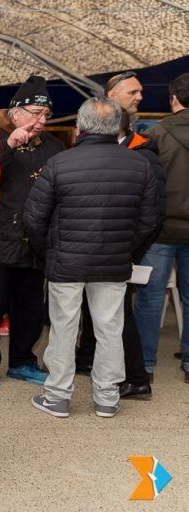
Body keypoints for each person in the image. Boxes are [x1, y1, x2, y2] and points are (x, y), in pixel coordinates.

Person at [24, 97, 158, 419]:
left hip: (65, 263)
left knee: (63, 327)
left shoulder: (60, 163)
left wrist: (49, 252)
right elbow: (150, 220)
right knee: (110, 328)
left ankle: (57, 396)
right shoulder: (140, 165)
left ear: (80, 127)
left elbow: (33, 218)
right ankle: (107, 399)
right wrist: (127, 251)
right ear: (117, 128)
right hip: (113, 264)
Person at [0, 75, 64, 391]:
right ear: (15, 112)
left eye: (46, 116)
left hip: (36, 241)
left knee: (30, 309)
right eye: (35, 114)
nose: (41, 121)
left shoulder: (53, 147)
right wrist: (9, 145)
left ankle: (22, 362)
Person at [75, 108, 166, 399]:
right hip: (109, 250)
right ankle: (109, 368)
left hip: (123, 251)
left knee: (118, 317)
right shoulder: (122, 153)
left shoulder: (142, 156)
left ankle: (136, 377)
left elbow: (152, 215)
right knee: (110, 315)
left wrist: (130, 251)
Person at [134, 73, 189, 382]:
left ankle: (146, 365)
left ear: (173, 99)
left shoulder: (155, 135)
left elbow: (144, 181)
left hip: (162, 229)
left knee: (150, 297)